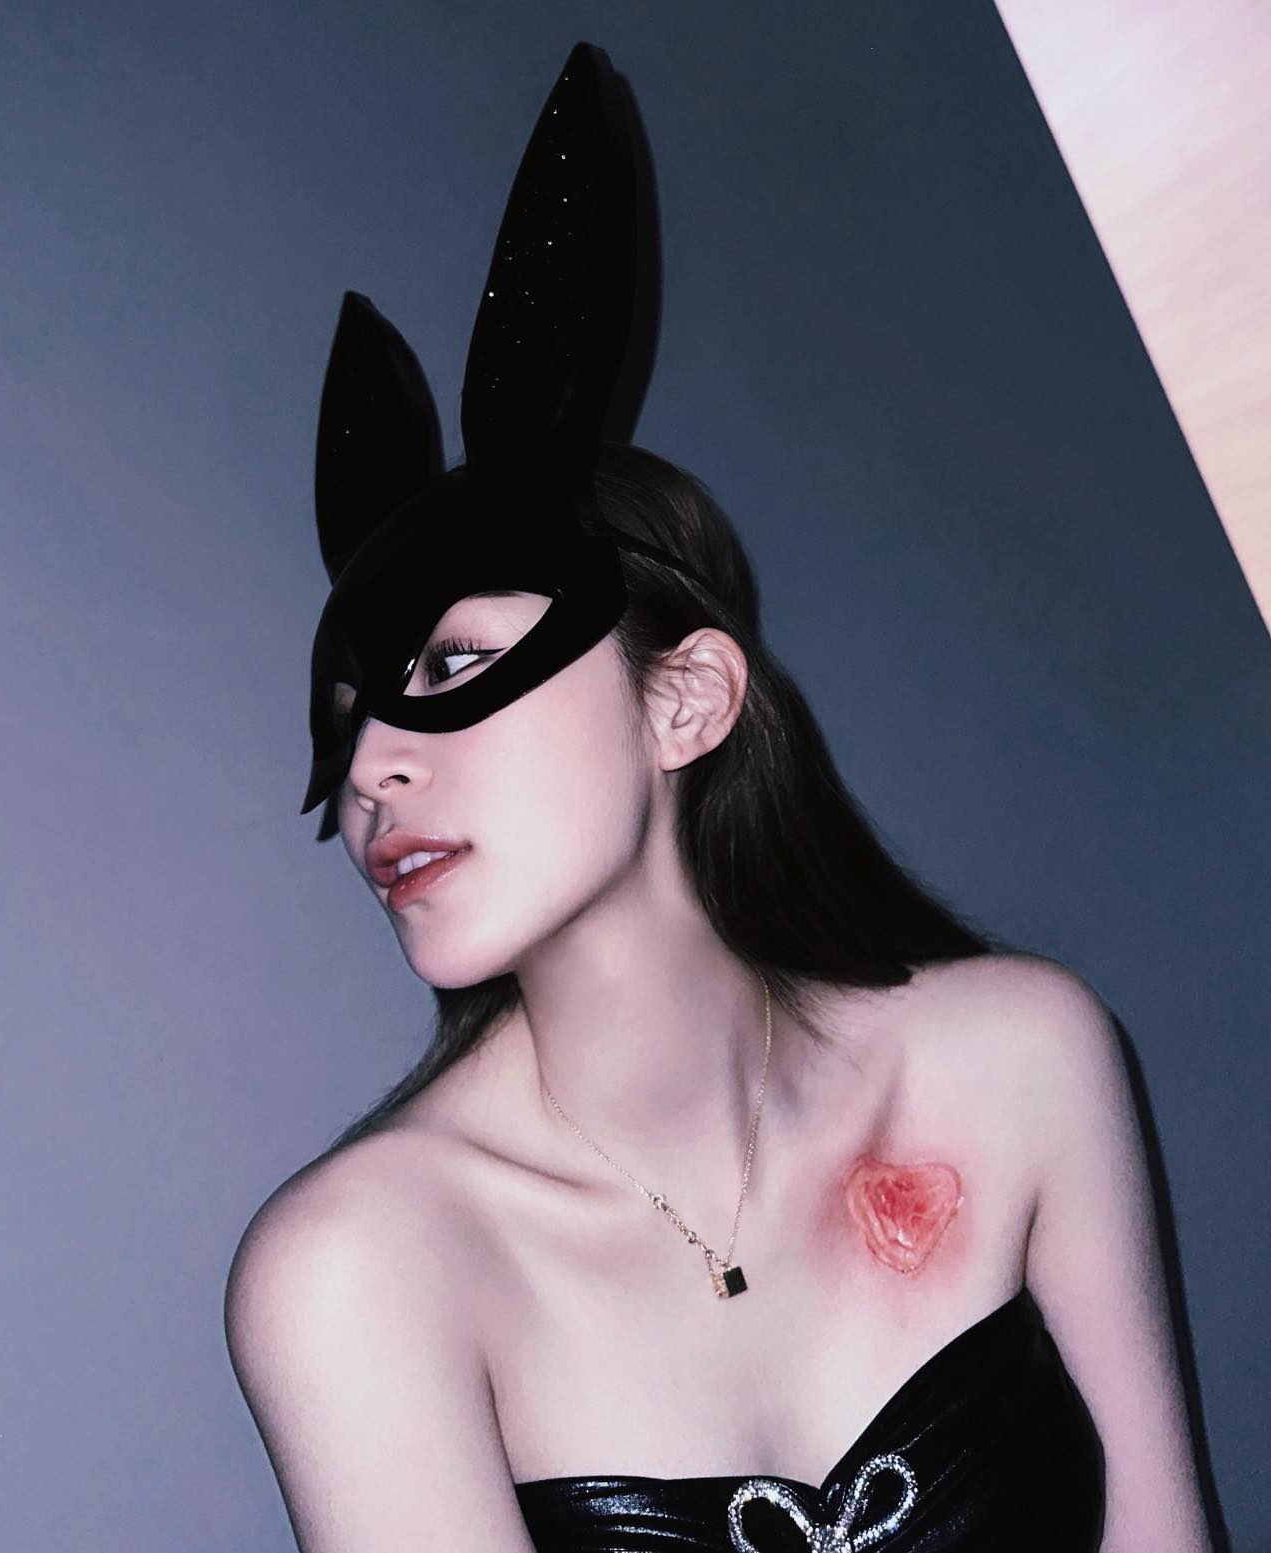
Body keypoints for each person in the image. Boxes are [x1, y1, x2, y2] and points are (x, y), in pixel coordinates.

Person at [223, 42, 1213, 1553]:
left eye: (454, 665)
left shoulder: (1020, 1061)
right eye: (348, 722)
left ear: (684, 699)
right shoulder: (363, 1265)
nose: (370, 771)